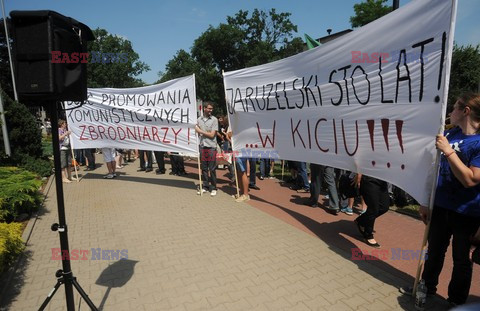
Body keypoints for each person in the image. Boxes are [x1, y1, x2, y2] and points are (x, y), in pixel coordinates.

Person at [402, 93, 480, 307]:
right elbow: (432, 169)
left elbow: (471, 180)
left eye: (455, 107)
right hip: (441, 205)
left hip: (467, 212)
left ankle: (456, 302)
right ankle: (426, 287)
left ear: (466, 111)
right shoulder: (450, 133)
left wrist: (448, 151)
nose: (450, 112)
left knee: (461, 260)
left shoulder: (478, 142)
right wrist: (426, 201)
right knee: (434, 251)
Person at [353, 174, 389, 247]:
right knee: (373, 209)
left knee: (384, 207)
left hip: (382, 179)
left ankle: (361, 221)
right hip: (369, 178)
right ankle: (368, 235)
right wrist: (359, 173)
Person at [195, 102, 218, 196]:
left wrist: (200, 131)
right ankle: (205, 186)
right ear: (204, 108)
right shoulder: (198, 120)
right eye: (209, 108)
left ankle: (213, 187)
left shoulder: (214, 120)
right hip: (202, 146)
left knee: (212, 169)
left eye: (211, 109)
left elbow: (212, 135)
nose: (210, 110)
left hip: (211, 147)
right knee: (204, 168)